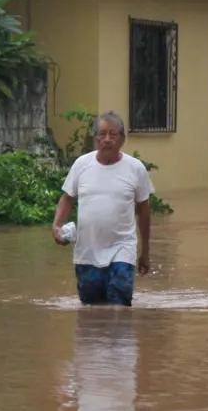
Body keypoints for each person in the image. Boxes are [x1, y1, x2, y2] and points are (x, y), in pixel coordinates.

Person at [52, 112, 154, 306]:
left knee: (119, 307)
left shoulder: (136, 168)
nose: (107, 139)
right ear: (95, 138)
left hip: (122, 249)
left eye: (113, 134)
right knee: (91, 310)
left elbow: (144, 210)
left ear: (122, 139)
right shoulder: (82, 165)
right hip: (87, 252)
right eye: (102, 134)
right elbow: (67, 198)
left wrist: (145, 251)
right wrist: (56, 226)